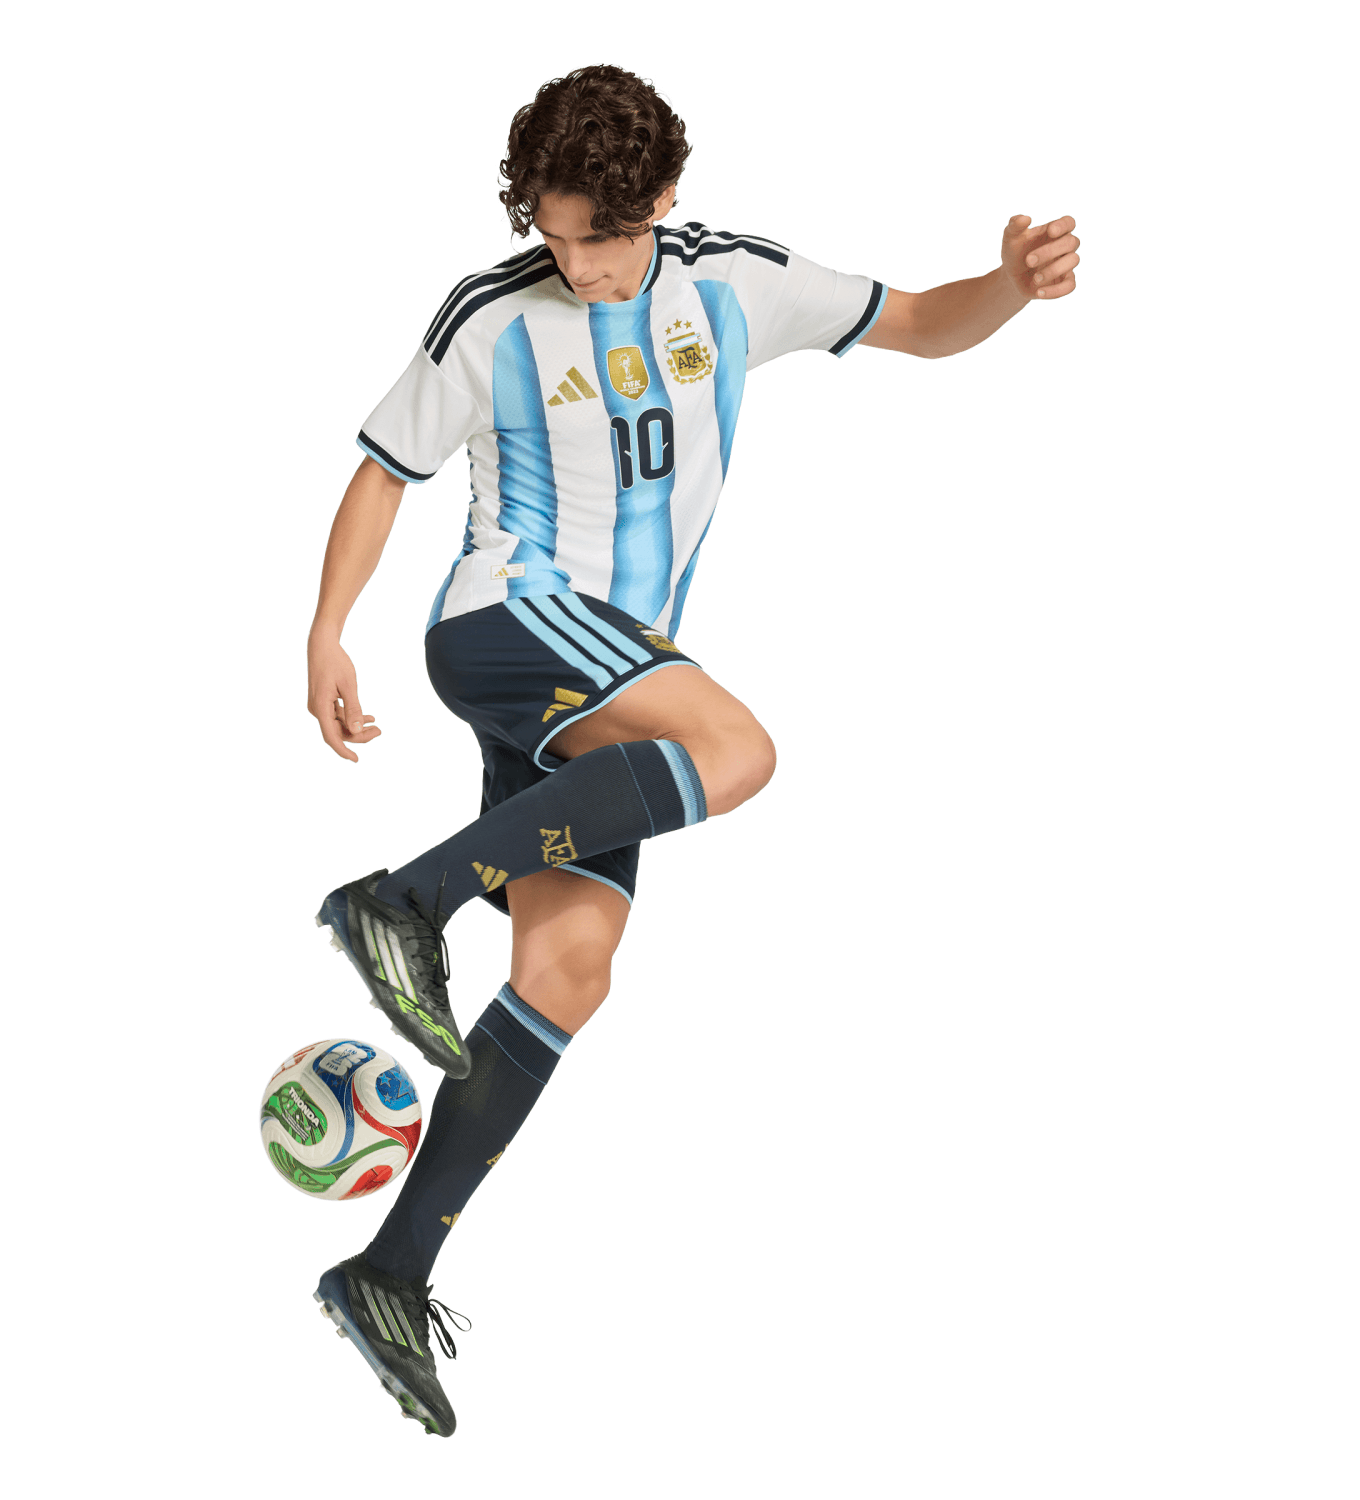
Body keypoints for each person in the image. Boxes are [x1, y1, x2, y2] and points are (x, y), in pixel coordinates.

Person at [305, 64, 1081, 1436]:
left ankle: (389, 1271)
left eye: (602, 239)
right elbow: (385, 471)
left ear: (663, 198)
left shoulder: (734, 284)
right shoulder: (493, 317)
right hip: (509, 623)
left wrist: (1009, 288)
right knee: (736, 749)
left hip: (605, 690)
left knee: (569, 972)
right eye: (556, 236)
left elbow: (915, 321)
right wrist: (327, 630)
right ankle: (402, 901)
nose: (579, 264)